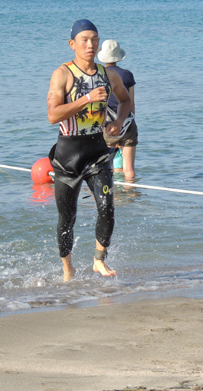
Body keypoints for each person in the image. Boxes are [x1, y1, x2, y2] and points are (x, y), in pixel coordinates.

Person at [46, 19, 131, 282]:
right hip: (68, 154)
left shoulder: (109, 75)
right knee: (67, 218)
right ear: (72, 44)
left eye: (94, 39)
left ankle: (98, 260)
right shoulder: (62, 74)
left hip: (97, 150)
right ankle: (67, 269)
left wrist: (119, 121)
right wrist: (87, 99)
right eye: (84, 40)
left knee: (107, 206)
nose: (90, 44)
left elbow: (125, 100)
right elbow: (52, 115)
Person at [97, 39, 138, 179]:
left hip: (108, 124)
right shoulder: (127, 74)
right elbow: (130, 101)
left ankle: (110, 191)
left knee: (107, 167)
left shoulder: (99, 74)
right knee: (129, 169)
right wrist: (131, 120)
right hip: (127, 121)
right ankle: (131, 191)